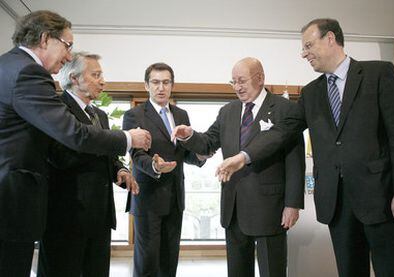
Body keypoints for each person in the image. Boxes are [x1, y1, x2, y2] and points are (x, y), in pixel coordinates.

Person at [217, 19, 394, 277]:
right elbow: (282, 131)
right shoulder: (311, 93)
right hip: (338, 205)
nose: (304, 53)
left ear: (330, 38)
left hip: (383, 198)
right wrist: (244, 157)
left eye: (309, 45)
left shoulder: (378, 74)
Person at [0, 10, 150, 277]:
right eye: (67, 46)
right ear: (46, 38)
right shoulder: (29, 75)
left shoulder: (8, 66)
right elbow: (74, 137)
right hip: (26, 203)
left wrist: (119, 169)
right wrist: (128, 138)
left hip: (83, 213)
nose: (68, 56)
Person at [172, 57, 305, 277]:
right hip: (233, 207)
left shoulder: (285, 109)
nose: (237, 87)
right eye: (232, 81)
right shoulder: (228, 111)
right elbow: (208, 143)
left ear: (260, 78)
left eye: (241, 80)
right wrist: (189, 136)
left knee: (273, 271)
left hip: (270, 208)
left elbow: (294, 160)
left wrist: (292, 204)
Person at [36, 52, 139, 276]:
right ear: (74, 78)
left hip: (99, 216)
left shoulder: (99, 115)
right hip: (66, 218)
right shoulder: (57, 109)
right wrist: (114, 141)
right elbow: (59, 155)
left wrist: (119, 169)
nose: (103, 81)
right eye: (96, 75)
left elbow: (106, 154)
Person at [123, 62, 206, 277]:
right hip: (148, 198)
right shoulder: (134, 115)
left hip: (175, 199)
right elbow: (136, 154)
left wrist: (200, 156)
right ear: (146, 86)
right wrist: (154, 165)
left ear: (172, 85)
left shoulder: (181, 115)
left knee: (169, 261)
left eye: (166, 82)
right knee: (147, 262)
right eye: (156, 82)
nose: (161, 87)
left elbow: (184, 152)